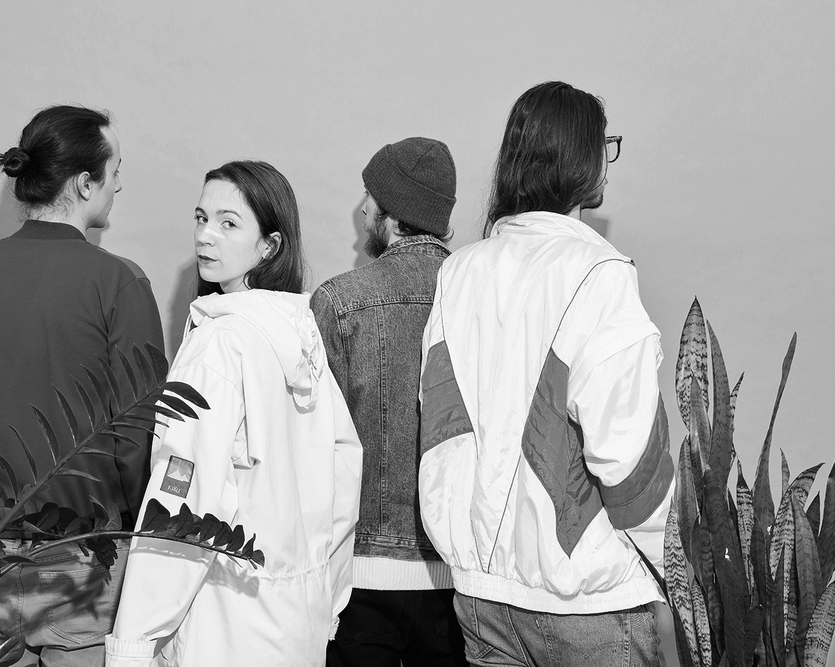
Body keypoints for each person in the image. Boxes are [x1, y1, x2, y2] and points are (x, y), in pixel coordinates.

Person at [418, 81, 675, 666]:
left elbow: (441, 433)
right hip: (585, 601)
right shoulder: (598, 272)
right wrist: (670, 569)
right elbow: (627, 457)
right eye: (604, 145)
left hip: (481, 599)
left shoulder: (459, 272)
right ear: (582, 159)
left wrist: (466, 552)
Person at [105, 161, 363, 667]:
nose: (206, 235)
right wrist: (327, 597)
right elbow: (343, 475)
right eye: (201, 218)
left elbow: (183, 496)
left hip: (226, 626)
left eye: (228, 223)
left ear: (270, 245)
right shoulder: (301, 339)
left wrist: (134, 641)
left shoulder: (220, 344)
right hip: (297, 624)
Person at [0, 105, 164, 666]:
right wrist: (135, 533)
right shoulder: (119, 282)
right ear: (85, 183)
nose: (118, 185)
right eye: (114, 172)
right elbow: (137, 432)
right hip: (84, 560)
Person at [311, 137, 468, 666]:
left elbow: (314, 451)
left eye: (370, 198)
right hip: (460, 577)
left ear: (394, 214)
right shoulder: (482, 298)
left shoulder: (339, 301)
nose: (361, 210)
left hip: (361, 577)